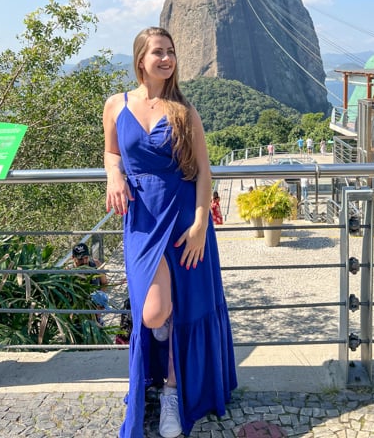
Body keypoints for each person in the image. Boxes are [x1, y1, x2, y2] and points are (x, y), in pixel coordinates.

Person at [103, 26, 237, 438]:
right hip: (142, 220)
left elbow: (203, 173)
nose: (166, 58)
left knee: (181, 309)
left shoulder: (184, 111)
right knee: (154, 312)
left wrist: (200, 224)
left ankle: (172, 392)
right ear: (140, 59)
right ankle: (162, 341)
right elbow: (111, 152)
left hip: (182, 219)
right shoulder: (115, 105)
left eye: (172, 52)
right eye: (158, 52)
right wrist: (113, 177)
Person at [71, 243, 109, 324]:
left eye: (86, 258)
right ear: (73, 258)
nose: (84, 261)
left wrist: (100, 299)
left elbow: (104, 283)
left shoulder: (96, 265)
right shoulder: (69, 273)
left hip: (95, 308)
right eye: (80, 259)